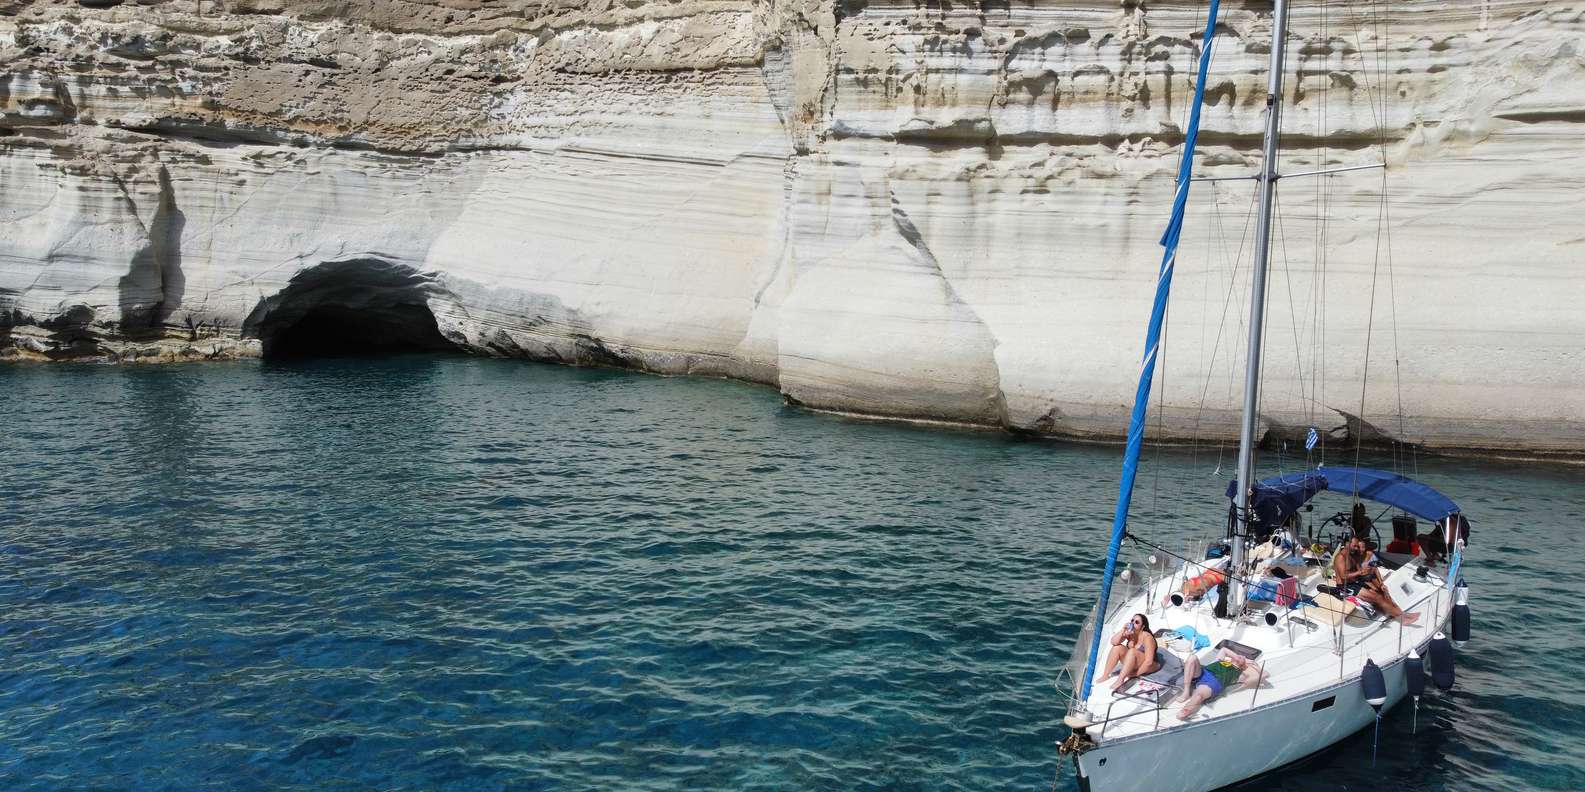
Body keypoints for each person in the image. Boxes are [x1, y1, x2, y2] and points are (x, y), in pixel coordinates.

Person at [1332, 534, 1420, 624]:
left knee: (1381, 593)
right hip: (1345, 587)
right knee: (1377, 597)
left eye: (1357, 546)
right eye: (1354, 546)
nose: (1356, 548)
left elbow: (1360, 571)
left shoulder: (1351, 556)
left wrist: (1368, 574)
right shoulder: (1340, 557)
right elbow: (1343, 576)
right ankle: (1402, 618)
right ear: (1347, 544)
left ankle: (1397, 613)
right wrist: (1360, 572)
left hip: (1355, 583)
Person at [1176, 648, 1267, 719]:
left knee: (1198, 696)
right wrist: (1236, 657)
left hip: (1213, 682)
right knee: (1192, 658)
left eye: (1244, 657)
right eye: (1241, 656)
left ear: (1244, 665)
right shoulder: (1225, 661)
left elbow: (1265, 675)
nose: (1242, 656)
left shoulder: (1240, 674)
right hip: (1203, 673)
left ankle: (1185, 710)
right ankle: (1186, 692)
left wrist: (1253, 663)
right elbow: (1224, 649)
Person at [1100, 613, 1161, 693]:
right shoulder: (1130, 634)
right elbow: (1114, 642)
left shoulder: (1147, 637)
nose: (1133, 623)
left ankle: (1120, 680)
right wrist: (1123, 630)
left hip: (1150, 665)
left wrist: (1135, 674)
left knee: (1132, 651)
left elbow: (1149, 662)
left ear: (1142, 627)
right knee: (1117, 648)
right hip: (1134, 662)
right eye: (1132, 620)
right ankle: (1105, 675)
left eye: (1137, 622)